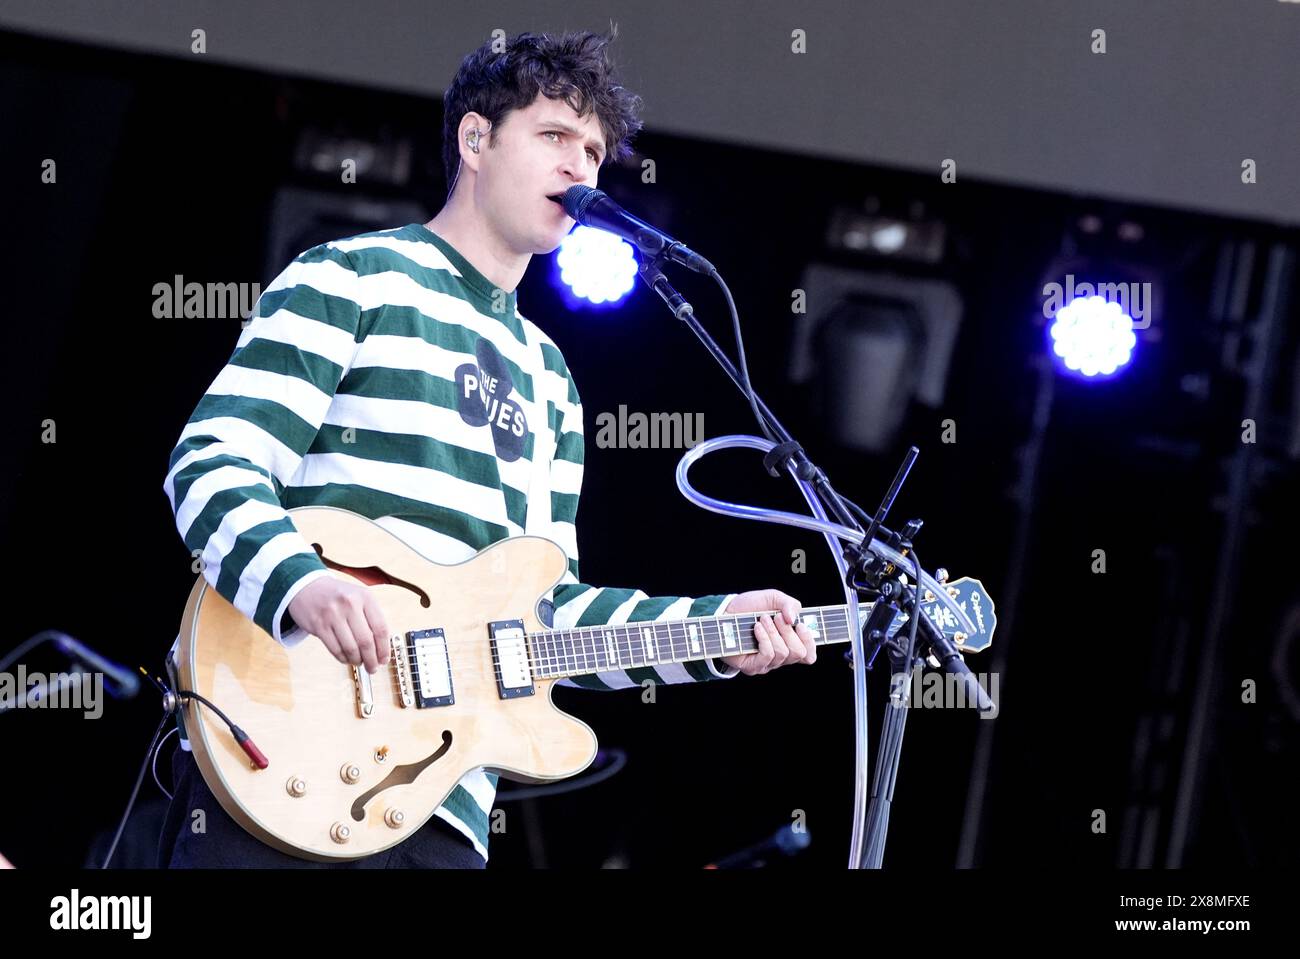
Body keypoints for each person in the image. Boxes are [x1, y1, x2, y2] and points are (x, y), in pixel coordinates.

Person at [158, 28, 816, 869]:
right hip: (278, 754)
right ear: (475, 141)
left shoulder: (551, 380)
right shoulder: (352, 277)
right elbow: (212, 462)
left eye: (594, 152)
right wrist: (303, 581)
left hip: (441, 807)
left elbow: (548, 618)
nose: (581, 167)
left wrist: (711, 631)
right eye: (554, 137)